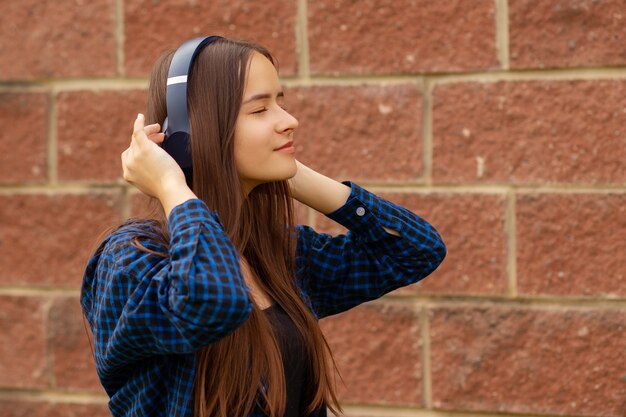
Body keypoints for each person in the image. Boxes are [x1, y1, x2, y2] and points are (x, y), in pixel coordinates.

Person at [80, 37, 447, 417]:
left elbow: (416, 250)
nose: (289, 121)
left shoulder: (278, 253)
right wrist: (174, 184)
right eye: (260, 110)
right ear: (192, 133)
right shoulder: (131, 261)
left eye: (281, 102)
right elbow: (212, 300)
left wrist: (295, 174)